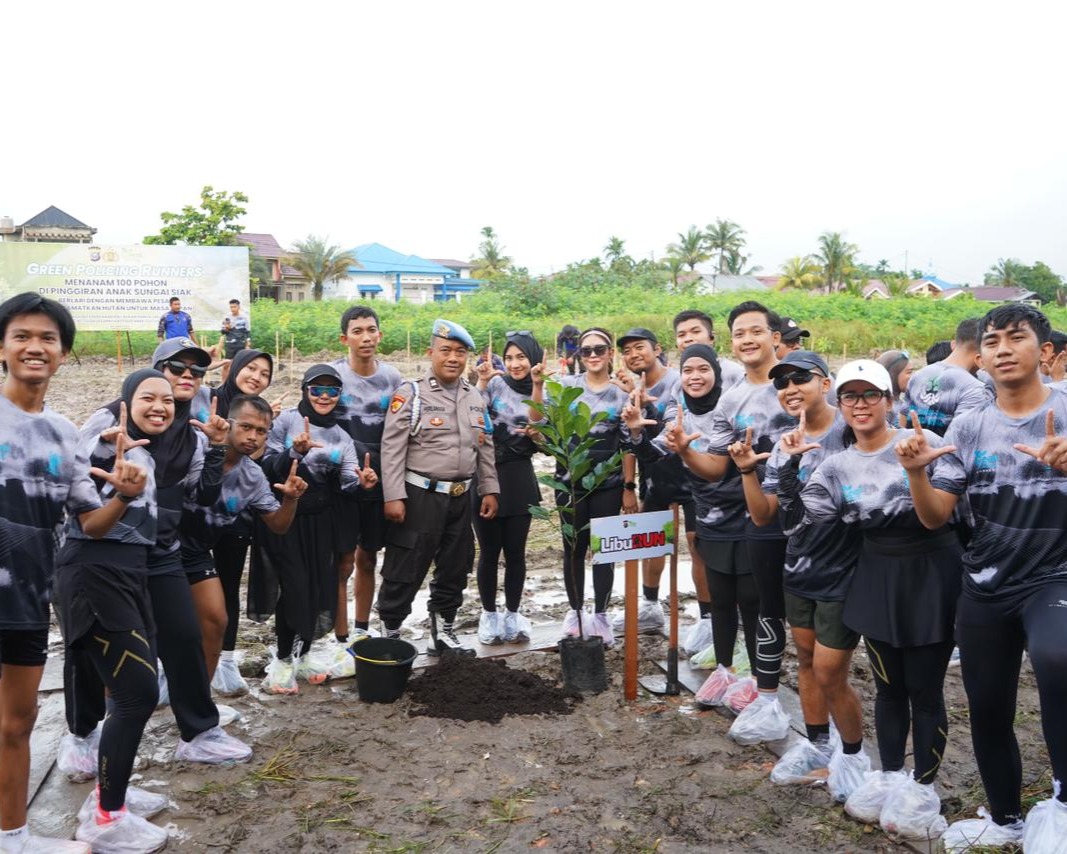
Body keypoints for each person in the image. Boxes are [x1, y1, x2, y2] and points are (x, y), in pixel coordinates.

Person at [899, 304, 1067, 850]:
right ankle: (1004, 818)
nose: (1001, 348)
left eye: (1016, 338)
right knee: (987, 703)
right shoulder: (969, 426)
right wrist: (915, 473)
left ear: (1044, 352)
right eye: (991, 340)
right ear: (980, 356)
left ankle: (1063, 807)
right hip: (985, 583)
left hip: (1055, 578)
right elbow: (934, 516)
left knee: (1057, 658)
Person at [0, 293, 148, 854]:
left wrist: (125, 496)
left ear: (63, 355)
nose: (35, 347)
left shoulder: (65, 432)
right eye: (22, 336)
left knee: (17, 723)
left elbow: (89, 523)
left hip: (29, 602)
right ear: (3, 348)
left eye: (48, 339)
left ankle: (12, 839)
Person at [795, 359, 961, 837]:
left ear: (890, 401)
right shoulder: (836, 463)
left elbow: (940, 518)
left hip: (930, 572)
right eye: (851, 396)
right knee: (888, 687)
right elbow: (806, 522)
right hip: (876, 574)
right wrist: (786, 467)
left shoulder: (919, 444)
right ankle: (889, 774)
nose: (861, 404)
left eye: (872, 395)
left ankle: (923, 785)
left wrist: (915, 472)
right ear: (840, 403)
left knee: (925, 690)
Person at [75, 338, 252, 766]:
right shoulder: (108, 418)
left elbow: (203, 496)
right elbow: (75, 481)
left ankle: (198, 730)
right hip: (106, 551)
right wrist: (104, 449)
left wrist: (214, 448)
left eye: (196, 372)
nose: (187, 377)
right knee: (100, 648)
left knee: (185, 634)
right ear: (152, 372)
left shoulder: (193, 424)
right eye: (177, 368)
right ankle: (87, 735)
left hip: (163, 548)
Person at [55, 371, 174, 853]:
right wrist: (105, 455)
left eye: (167, 400)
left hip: (127, 574)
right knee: (136, 695)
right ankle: (106, 817)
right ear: (124, 402)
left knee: (130, 692)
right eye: (147, 397)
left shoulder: (143, 452)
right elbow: (91, 522)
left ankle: (110, 795)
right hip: (94, 574)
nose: (160, 406)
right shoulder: (105, 444)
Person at [667, 301, 797, 739]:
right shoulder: (732, 400)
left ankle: (785, 707)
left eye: (756, 331)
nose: (747, 340)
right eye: (739, 333)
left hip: (804, 518)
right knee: (761, 610)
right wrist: (686, 450)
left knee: (788, 617)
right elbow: (717, 467)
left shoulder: (796, 385)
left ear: (775, 337)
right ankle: (761, 694)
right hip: (757, 518)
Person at [734, 351, 865, 779]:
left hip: (846, 571)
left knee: (831, 671)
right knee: (806, 660)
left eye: (801, 379)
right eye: (782, 383)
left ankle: (852, 755)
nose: (790, 388)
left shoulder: (854, 433)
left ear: (825, 384)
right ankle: (817, 745)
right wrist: (746, 472)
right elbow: (763, 515)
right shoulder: (785, 445)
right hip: (799, 570)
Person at [627, 345, 759, 680]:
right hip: (707, 508)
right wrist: (636, 433)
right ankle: (725, 656)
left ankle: (756, 665)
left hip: (740, 509)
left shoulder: (733, 405)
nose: (695, 377)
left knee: (748, 592)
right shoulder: (677, 407)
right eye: (688, 370)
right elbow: (654, 454)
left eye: (703, 369)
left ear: (716, 371)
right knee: (721, 589)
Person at [378, 320, 499, 652]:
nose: (453, 358)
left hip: (462, 497)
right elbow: (392, 448)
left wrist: (489, 489)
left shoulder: (475, 396)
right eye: (445, 350)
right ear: (430, 353)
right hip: (420, 496)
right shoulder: (411, 394)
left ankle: (444, 630)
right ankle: (390, 633)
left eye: (460, 352)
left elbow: (484, 446)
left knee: (455, 567)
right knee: (405, 566)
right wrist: (394, 496)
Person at [253, 365, 374, 691]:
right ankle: (282, 660)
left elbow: (349, 480)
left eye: (332, 391)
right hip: (287, 518)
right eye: (316, 389)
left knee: (317, 587)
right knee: (292, 588)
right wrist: (295, 451)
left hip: (322, 522)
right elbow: (265, 464)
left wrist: (363, 484)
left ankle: (303, 655)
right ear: (304, 390)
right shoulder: (287, 421)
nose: (324, 396)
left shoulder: (341, 436)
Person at [182, 394, 306, 691]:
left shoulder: (252, 475)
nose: (253, 437)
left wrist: (290, 500)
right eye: (246, 427)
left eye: (261, 431)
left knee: (216, 618)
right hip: (165, 547)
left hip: (197, 552)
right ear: (230, 422)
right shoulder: (195, 449)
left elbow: (278, 524)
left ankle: (200, 692)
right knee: (175, 623)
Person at [530, 327, 636, 647]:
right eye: (586, 350)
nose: (592, 355)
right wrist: (537, 385)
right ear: (578, 355)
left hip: (609, 483)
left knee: (604, 552)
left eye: (599, 350)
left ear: (610, 354)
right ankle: (575, 612)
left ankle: (601, 615)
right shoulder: (566, 387)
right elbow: (537, 423)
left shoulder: (621, 392)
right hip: (570, 483)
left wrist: (629, 487)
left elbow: (629, 444)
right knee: (574, 549)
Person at [331, 306, 403, 644]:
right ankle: (340, 635)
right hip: (343, 482)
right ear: (345, 338)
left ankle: (361, 628)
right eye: (357, 331)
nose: (366, 337)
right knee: (343, 560)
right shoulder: (332, 376)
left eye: (371, 330)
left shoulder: (393, 379)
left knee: (369, 557)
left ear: (380, 335)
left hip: (380, 481)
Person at [473, 331, 543, 644]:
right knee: (488, 552)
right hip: (486, 471)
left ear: (533, 359)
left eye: (521, 357)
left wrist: (539, 386)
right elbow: (472, 414)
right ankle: (489, 615)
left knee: (516, 552)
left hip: (519, 475)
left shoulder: (544, 389)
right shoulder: (496, 384)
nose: (515, 364)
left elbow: (540, 426)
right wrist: (483, 382)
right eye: (510, 357)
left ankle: (513, 613)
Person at [610, 327, 679, 634]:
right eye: (627, 351)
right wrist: (629, 486)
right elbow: (630, 440)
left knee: (692, 543)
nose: (633, 354)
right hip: (652, 477)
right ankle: (650, 606)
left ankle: (705, 616)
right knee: (652, 540)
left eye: (639, 347)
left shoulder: (676, 380)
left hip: (687, 472)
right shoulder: (631, 389)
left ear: (657, 348)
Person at [902, 317, 992, 436]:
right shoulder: (976, 389)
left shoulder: (918, 375)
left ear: (954, 343)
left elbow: (903, 420)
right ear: (984, 347)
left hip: (911, 451)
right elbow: (965, 438)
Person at [673, 309, 744, 392]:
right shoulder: (677, 379)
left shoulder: (734, 373)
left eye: (695, 332)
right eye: (681, 335)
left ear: (711, 337)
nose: (688, 339)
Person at [875, 349, 913, 420]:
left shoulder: (901, 403)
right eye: (909, 372)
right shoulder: (886, 408)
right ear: (894, 374)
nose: (913, 377)